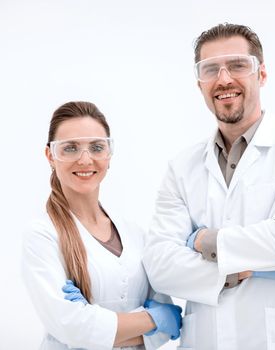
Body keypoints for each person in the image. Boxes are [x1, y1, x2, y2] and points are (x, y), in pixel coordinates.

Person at [142, 23, 275, 350]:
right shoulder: (181, 168)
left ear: (261, 75)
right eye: (210, 69)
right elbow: (160, 265)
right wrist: (238, 271)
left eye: (237, 65)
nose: (224, 79)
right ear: (199, 83)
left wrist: (205, 240)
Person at [22, 101, 182, 350]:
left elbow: (168, 329)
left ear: (108, 154)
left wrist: (95, 326)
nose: (85, 160)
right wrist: (153, 319)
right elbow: (72, 327)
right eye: (70, 148)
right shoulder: (42, 235)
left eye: (96, 147)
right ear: (50, 156)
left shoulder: (135, 234)